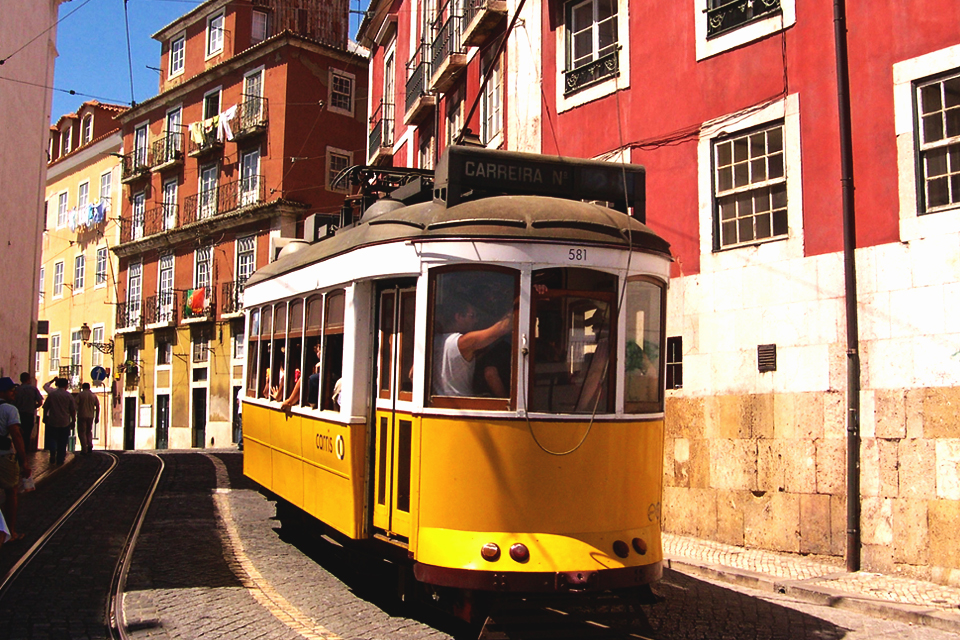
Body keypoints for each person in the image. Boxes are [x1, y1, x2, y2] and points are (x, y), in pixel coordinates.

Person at [432, 298, 512, 397]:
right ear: (459, 317)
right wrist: (521, 300)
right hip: (463, 405)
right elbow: (502, 328)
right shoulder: (462, 342)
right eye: (472, 316)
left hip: (438, 404)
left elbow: (412, 374)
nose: (476, 320)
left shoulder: (433, 342)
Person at [0, 377, 31, 542]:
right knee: (11, 493)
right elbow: (16, 435)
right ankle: (10, 531)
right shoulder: (9, 410)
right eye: (11, 390)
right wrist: (24, 461)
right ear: (3, 392)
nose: (14, 392)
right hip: (4, 457)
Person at [42, 377, 76, 466]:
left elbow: (46, 407)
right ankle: (60, 459)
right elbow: (73, 410)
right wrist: (73, 421)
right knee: (62, 441)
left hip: (53, 420)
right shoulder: (69, 396)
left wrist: (45, 417)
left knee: (52, 438)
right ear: (66, 385)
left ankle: (53, 452)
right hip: (64, 422)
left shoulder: (52, 395)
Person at [13, 373, 42, 454]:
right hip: (29, 415)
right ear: (29, 379)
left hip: (18, 415)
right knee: (27, 435)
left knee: (18, 434)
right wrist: (33, 407)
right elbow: (40, 402)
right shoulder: (33, 389)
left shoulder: (17, 390)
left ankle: (18, 451)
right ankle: (25, 452)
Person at [76, 382, 100, 454]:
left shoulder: (80, 395)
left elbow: (75, 404)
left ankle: (84, 448)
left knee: (82, 432)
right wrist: (97, 417)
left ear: (83, 387)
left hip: (81, 415)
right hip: (90, 416)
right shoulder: (93, 396)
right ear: (89, 387)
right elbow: (98, 406)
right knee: (89, 431)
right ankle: (90, 445)